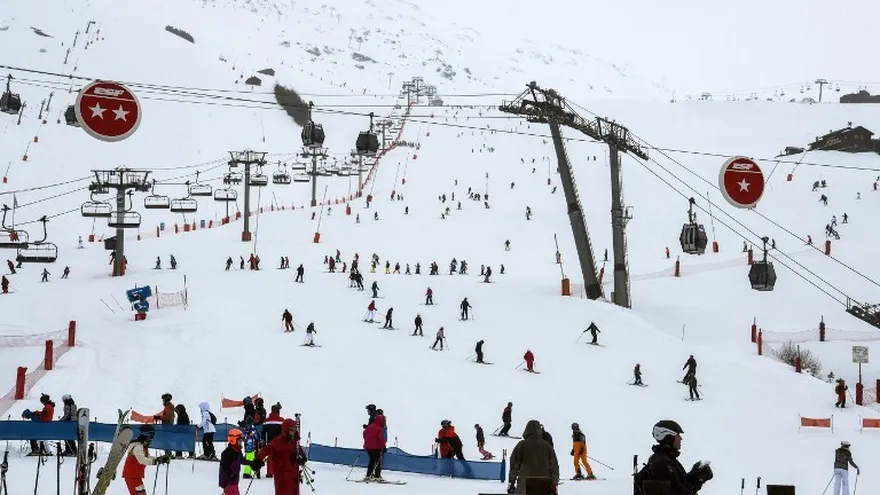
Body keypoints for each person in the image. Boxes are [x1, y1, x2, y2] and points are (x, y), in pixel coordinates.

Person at [636, 420, 712, 495]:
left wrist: (695, 473)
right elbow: (679, 492)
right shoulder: (662, 462)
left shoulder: (667, 459)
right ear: (669, 437)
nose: (680, 438)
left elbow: (679, 485)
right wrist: (697, 478)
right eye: (678, 435)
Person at [256, 418, 308, 495]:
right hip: (282, 477)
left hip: (294, 476)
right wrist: (258, 460)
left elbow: (301, 453)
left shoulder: (295, 442)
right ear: (286, 430)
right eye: (291, 430)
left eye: (294, 430)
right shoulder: (278, 442)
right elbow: (266, 450)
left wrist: (302, 459)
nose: (293, 432)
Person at [507, 420, 559, 494]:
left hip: (524, 485)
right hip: (544, 485)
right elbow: (554, 467)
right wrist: (554, 484)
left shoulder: (521, 445)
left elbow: (514, 465)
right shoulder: (547, 446)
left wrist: (511, 483)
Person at [123, 425, 170, 495]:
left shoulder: (142, 446)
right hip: (132, 476)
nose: (151, 440)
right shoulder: (137, 446)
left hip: (136, 476)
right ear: (146, 436)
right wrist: (155, 461)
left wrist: (159, 459)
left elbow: (147, 457)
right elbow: (141, 459)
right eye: (151, 438)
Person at [220, 428, 264, 495]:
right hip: (228, 482)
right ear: (233, 440)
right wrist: (230, 474)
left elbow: (241, 460)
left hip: (234, 482)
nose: (241, 443)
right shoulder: (227, 453)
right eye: (240, 441)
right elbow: (224, 467)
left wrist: (252, 463)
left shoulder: (237, 451)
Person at [261, 403, 284, 478]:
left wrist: (263, 441)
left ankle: (270, 472)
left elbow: (263, 432)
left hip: (269, 442)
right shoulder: (281, 421)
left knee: (270, 457)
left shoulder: (266, 421)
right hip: (279, 442)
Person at [363, 413, 387, 481]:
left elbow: (364, 433)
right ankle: (377, 476)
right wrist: (384, 446)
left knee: (371, 460)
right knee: (378, 461)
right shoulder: (379, 428)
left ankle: (368, 475)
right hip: (376, 447)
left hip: (368, 447)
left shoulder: (370, 426)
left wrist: (367, 440)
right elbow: (381, 439)